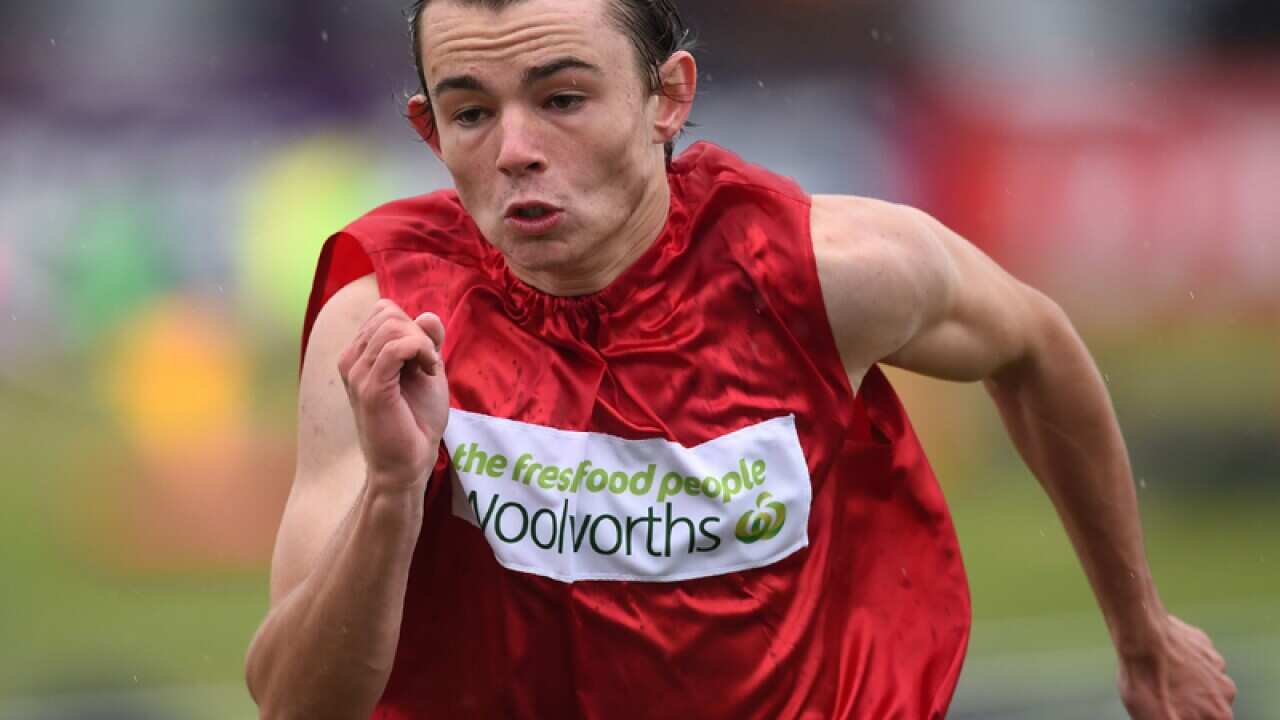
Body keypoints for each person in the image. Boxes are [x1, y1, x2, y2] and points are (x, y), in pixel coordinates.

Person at [243, 0, 1237, 717]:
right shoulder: (383, 327)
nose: (514, 149)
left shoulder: (827, 271)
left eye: (561, 98)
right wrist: (388, 491)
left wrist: (1139, 630)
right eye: (470, 112)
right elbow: (295, 703)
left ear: (665, 98)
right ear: (427, 131)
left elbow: (1033, 345)